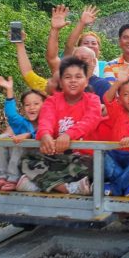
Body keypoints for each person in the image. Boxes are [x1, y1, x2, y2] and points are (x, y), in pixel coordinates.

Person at [18, 57, 102, 194]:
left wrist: (69, 135)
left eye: (78, 77)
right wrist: (45, 135)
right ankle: (66, 188)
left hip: (82, 158)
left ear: (86, 81)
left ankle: (40, 184)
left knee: (97, 166)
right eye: (68, 77)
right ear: (61, 83)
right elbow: (45, 120)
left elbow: (90, 121)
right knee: (26, 161)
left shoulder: (93, 100)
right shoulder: (52, 101)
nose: (73, 80)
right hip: (56, 157)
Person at [0, 76, 45, 191]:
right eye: (27, 105)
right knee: (2, 137)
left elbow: (43, 133)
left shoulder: (47, 123)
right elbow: (11, 114)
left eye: (36, 104)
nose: (32, 108)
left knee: (20, 142)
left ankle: (13, 179)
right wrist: (9, 90)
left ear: (44, 105)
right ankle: (2, 176)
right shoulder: (22, 123)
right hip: (19, 159)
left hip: (37, 160)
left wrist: (28, 135)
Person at [48, 4, 107, 77]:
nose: (90, 45)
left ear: (99, 48)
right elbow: (69, 46)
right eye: (86, 43)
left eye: (94, 43)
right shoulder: (70, 66)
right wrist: (82, 23)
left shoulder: (106, 66)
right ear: (77, 48)